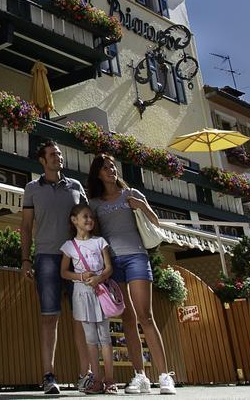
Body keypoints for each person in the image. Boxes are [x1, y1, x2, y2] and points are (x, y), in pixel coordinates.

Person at [88, 153, 176, 395]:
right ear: (98, 173)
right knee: (127, 319)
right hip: (112, 262)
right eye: (106, 168)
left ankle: (164, 376)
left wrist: (143, 206)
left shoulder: (132, 194)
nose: (111, 171)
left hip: (137, 256)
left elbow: (155, 223)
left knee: (145, 316)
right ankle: (140, 376)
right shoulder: (95, 202)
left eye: (113, 167)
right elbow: (93, 233)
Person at [21, 140, 92, 395]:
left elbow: (88, 221)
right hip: (46, 257)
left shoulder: (76, 187)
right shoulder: (31, 188)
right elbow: (26, 227)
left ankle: (86, 375)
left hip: (77, 259)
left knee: (81, 317)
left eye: (60, 154)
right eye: (52, 154)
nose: (58, 158)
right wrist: (26, 260)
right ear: (42, 160)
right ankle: (49, 376)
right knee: (49, 317)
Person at [60, 203, 117, 395]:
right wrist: (82, 277)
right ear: (74, 220)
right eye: (85, 216)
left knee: (105, 338)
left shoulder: (100, 241)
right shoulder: (69, 246)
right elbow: (64, 272)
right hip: (82, 295)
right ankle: (97, 381)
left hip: (100, 294)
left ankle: (110, 381)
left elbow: (109, 267)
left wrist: (99, 278)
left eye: (91, 216)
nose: (89, 220)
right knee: (90, 339)